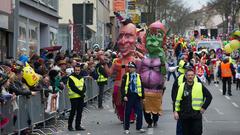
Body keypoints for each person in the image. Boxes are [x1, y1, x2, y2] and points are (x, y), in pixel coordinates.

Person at [173, 69, 212, 135]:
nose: (190, 77)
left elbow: (209, 97)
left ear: (194, 76)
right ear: (185, 76)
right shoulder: (181, 86)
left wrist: (203, 107)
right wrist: (175, 111)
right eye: (188, 75)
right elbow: (177, 100)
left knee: (197, 132)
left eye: (192, 75)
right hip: (184, 115)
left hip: (196, 115)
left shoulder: (199, 85)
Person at [121, 62, 145, 134]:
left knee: (139, 113)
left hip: (137, 96)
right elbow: (122, 87)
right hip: (129, 96)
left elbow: (141, 86)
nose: (130, 68)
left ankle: (139, 127)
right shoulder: (126, 76)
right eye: (129, 67)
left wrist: (143, 97)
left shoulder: (138, 76)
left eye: (131, 67)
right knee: (127, 113)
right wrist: (124, 96)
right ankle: (126, 128)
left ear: (135, 68)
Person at [67, 64, 86, 131]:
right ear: (74, 70)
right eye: (76, 70)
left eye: (78, 70)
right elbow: (73, 87)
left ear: (80, 70)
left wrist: (83, 92)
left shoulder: (81, 77)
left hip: (80, 97)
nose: (77, 71)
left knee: (79, 112)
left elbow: (84, 86)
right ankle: (70, 126)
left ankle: (78, 126)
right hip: (74, 97)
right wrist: (81, 93)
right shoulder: (71, 77)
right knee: (73, 112)